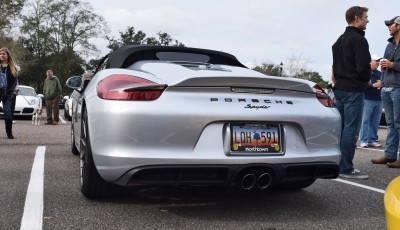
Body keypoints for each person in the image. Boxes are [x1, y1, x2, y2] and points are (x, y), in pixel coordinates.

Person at [332, 6, 371, 179]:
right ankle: (346, 167)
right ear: (357, 19)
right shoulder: (359, 40)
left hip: (339, 88)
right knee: (351, 130)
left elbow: (335, 66)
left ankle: (336, 163)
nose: (367, 20)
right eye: (365, 17)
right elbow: (363, 68)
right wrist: (366, 79)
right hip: (353, 90)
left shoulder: (339, 40)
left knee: (339, 129)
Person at [371, 16, 400, 168]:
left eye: (391, 24)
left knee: (398, 123)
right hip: (387, 87)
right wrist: (382, 80)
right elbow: (384, 66)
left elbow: (393, 65)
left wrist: (392, 64)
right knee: (390, 124)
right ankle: (390, 155)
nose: (388, 26)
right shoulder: (389, 45)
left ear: (399, 26)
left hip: (398, 88)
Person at [359, 54, 383, 148]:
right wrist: (372, 85)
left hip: (379, 99)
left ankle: (372, 140)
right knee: (365, 121)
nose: (378, 63)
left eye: (378, 61)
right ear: (370, 61)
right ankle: (363, 140)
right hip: (367, 99)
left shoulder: (380, 73)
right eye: (376, 61)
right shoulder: (364, 72)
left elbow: (383, 83)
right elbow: (361, 86)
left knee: (375, 122)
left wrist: (382, 85)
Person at [0, 47, 18, 139]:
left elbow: (14, 82)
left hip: (7, 93)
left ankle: (9, 133)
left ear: (7, 55)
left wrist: (8, 92)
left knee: (7, 113)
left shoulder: (12, 68)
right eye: (1, 54)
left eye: (4, 54)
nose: (2, 55)